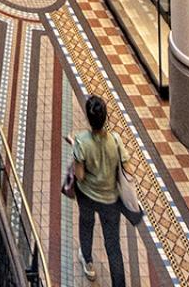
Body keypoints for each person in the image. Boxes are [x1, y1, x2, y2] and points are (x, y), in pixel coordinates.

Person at [72, 95, 127, 287]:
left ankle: (88, 262)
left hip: (87, 195)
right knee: (113, 246)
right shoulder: (116, 140)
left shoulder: (81, 141)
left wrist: (75, 150)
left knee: (86, 224)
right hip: (111, 199)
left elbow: (79, 175)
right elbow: (125, 167)